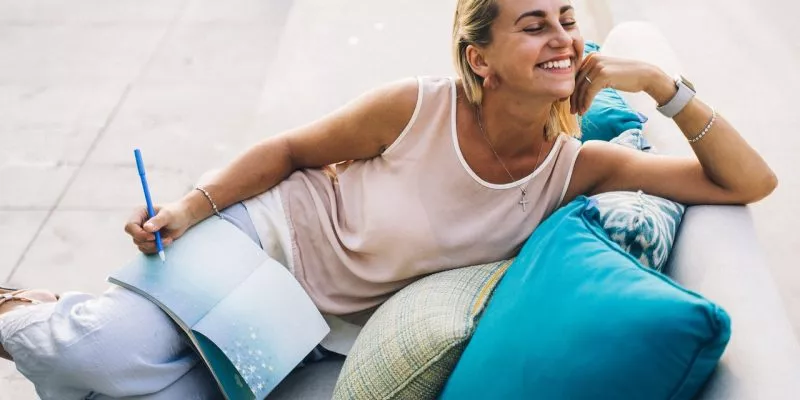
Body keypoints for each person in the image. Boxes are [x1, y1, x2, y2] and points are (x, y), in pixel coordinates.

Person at [0, 0, 777, 398]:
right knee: (97, 352)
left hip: (309, 326)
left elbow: (749, 182)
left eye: (568, 22)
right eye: (534, 25)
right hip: (259, 243)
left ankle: (72, 318)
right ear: (483, 59)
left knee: (118, 377)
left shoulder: (579, 167)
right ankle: (20, 311)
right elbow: (291, 152)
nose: (563, 39)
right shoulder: (419, 105)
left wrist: (666, 88)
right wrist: (189, 208)